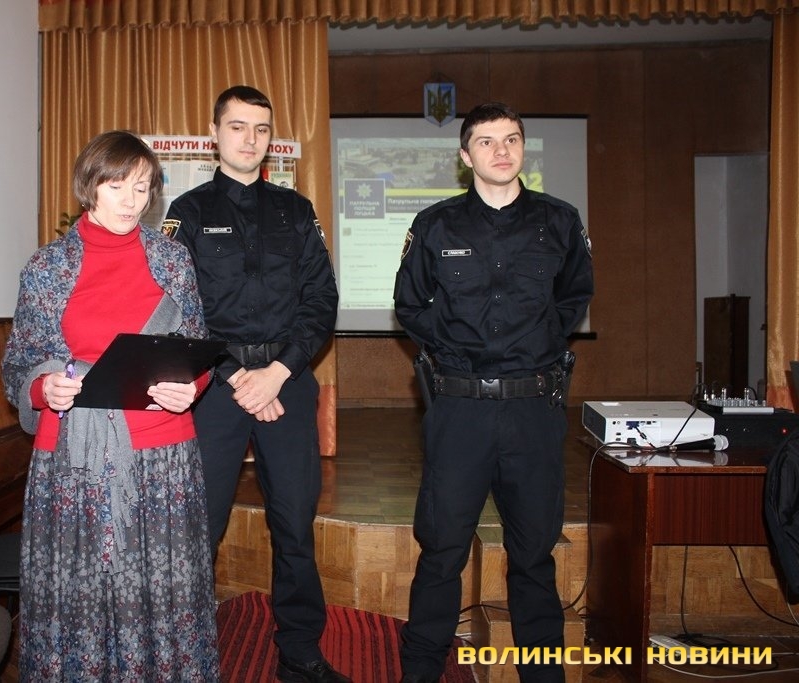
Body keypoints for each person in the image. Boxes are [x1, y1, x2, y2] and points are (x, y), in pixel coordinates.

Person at [1, 130, 219, 682]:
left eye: (142, 188)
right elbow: (20, 361)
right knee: (82, 594)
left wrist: (192, 386)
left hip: (163, 456)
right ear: (89, 186)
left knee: (165, 592)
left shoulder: (172, 260)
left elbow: (196, 349)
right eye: (117, 185)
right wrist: (44, 388)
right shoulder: (48, 267)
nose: (131, 200)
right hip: (74, 459)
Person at [393, 102, 594, 683]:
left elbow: (575, 296)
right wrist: (457, 348)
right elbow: (410, 304)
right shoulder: (435, 225)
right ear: (466, 156)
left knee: (533, 556)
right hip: (460, 411)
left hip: (533, 410)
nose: (501, 151)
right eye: (486, 141)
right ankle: (420, 673)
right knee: (442, 552)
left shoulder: (560, 221)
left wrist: (538, 342)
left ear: (523, 147)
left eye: (511, 139)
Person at [161, 85, 347, 683]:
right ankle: (187, 653)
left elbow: (321, 300)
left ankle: (301, 652)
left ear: (271, 138)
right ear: (214, 134)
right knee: (201, 526)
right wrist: (238, 376)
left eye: (261, 129)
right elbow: (177, 307)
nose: (250, 139)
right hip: (215, 387)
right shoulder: (187, 212)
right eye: (238, 127)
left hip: (286, 381)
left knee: (294, 524)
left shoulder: (296, 211)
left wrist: (278, 372)